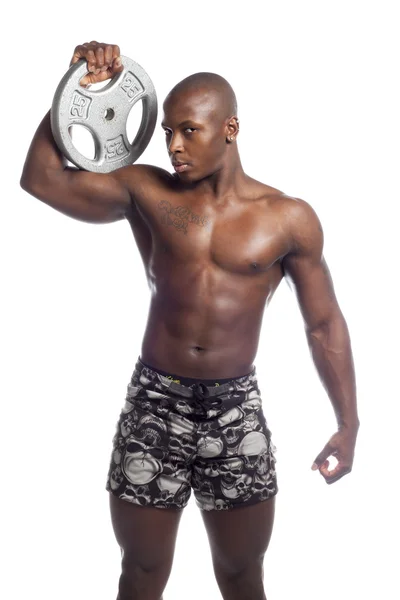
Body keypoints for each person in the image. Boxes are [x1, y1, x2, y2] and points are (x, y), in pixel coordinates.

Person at [20, 41, 360, 600]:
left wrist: (348, 425)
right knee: (142, 572)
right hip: (155, 404)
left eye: (189, 131)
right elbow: (42, 179)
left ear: (230, 128)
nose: (174, 146)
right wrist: (73, 91)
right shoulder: (147, 190)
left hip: (235, 412)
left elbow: (323, 323)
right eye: (167, 134)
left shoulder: (288, 218)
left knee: (241, 575)